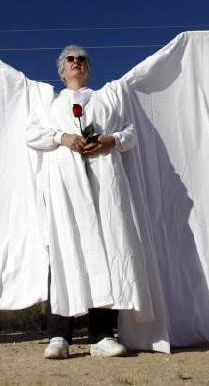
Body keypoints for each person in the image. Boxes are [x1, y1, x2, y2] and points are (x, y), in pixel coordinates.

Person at [26, 46, 138, 359]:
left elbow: (130, 133)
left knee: (106, 252)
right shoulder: (50, 104)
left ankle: (101, 336)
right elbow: (31, 134)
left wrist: (110, 140)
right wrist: (63, 138)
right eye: (70, 59)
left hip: (104, 184)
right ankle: (59, 336)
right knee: (65, 251)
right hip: (65, 186)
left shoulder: (105, 99)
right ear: (61, 71)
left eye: (82, 59)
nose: (77, 62)